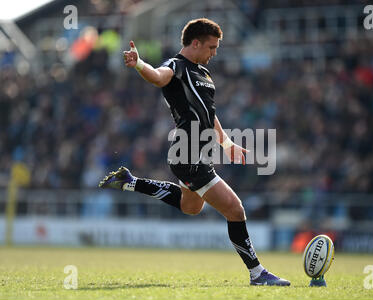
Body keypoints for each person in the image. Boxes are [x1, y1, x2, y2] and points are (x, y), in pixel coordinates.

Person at [99, 18, 290, 286]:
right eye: (211, 47)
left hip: (194, 152)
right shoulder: (176, 66)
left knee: (191, 206)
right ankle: (257, 273)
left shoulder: (204, 74)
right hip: (187, 153)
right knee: (235, 210)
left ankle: (131, 183)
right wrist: (139, 64)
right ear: (195, 43)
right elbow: (157, 77)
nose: (214, 53)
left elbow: (209, 115)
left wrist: (227, 144)